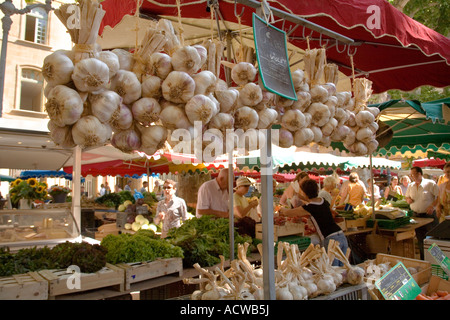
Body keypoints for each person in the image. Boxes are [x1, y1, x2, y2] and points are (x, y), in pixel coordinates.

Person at [279, 179, 348, 266]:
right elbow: (312, 200)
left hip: (330, 240)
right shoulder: (323, 201)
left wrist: (282, 209)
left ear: (305, 193)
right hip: (341, 235)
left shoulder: (309, 208)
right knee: (342, 269)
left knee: (333, 271)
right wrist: (299, 196)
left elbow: (288, 213)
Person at [405, 166, 439, 260]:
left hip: (429, 216)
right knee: (420, 240)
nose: (412, 176)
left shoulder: (430, 183)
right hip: (417, 216)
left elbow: (439, 197)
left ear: (420, 174)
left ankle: (434, 261)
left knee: (432, 240)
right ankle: (423, 260)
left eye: (413, 174)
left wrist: (432, 206)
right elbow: (406, 197)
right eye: (411, 175)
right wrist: (408, 199)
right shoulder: (411, 186)